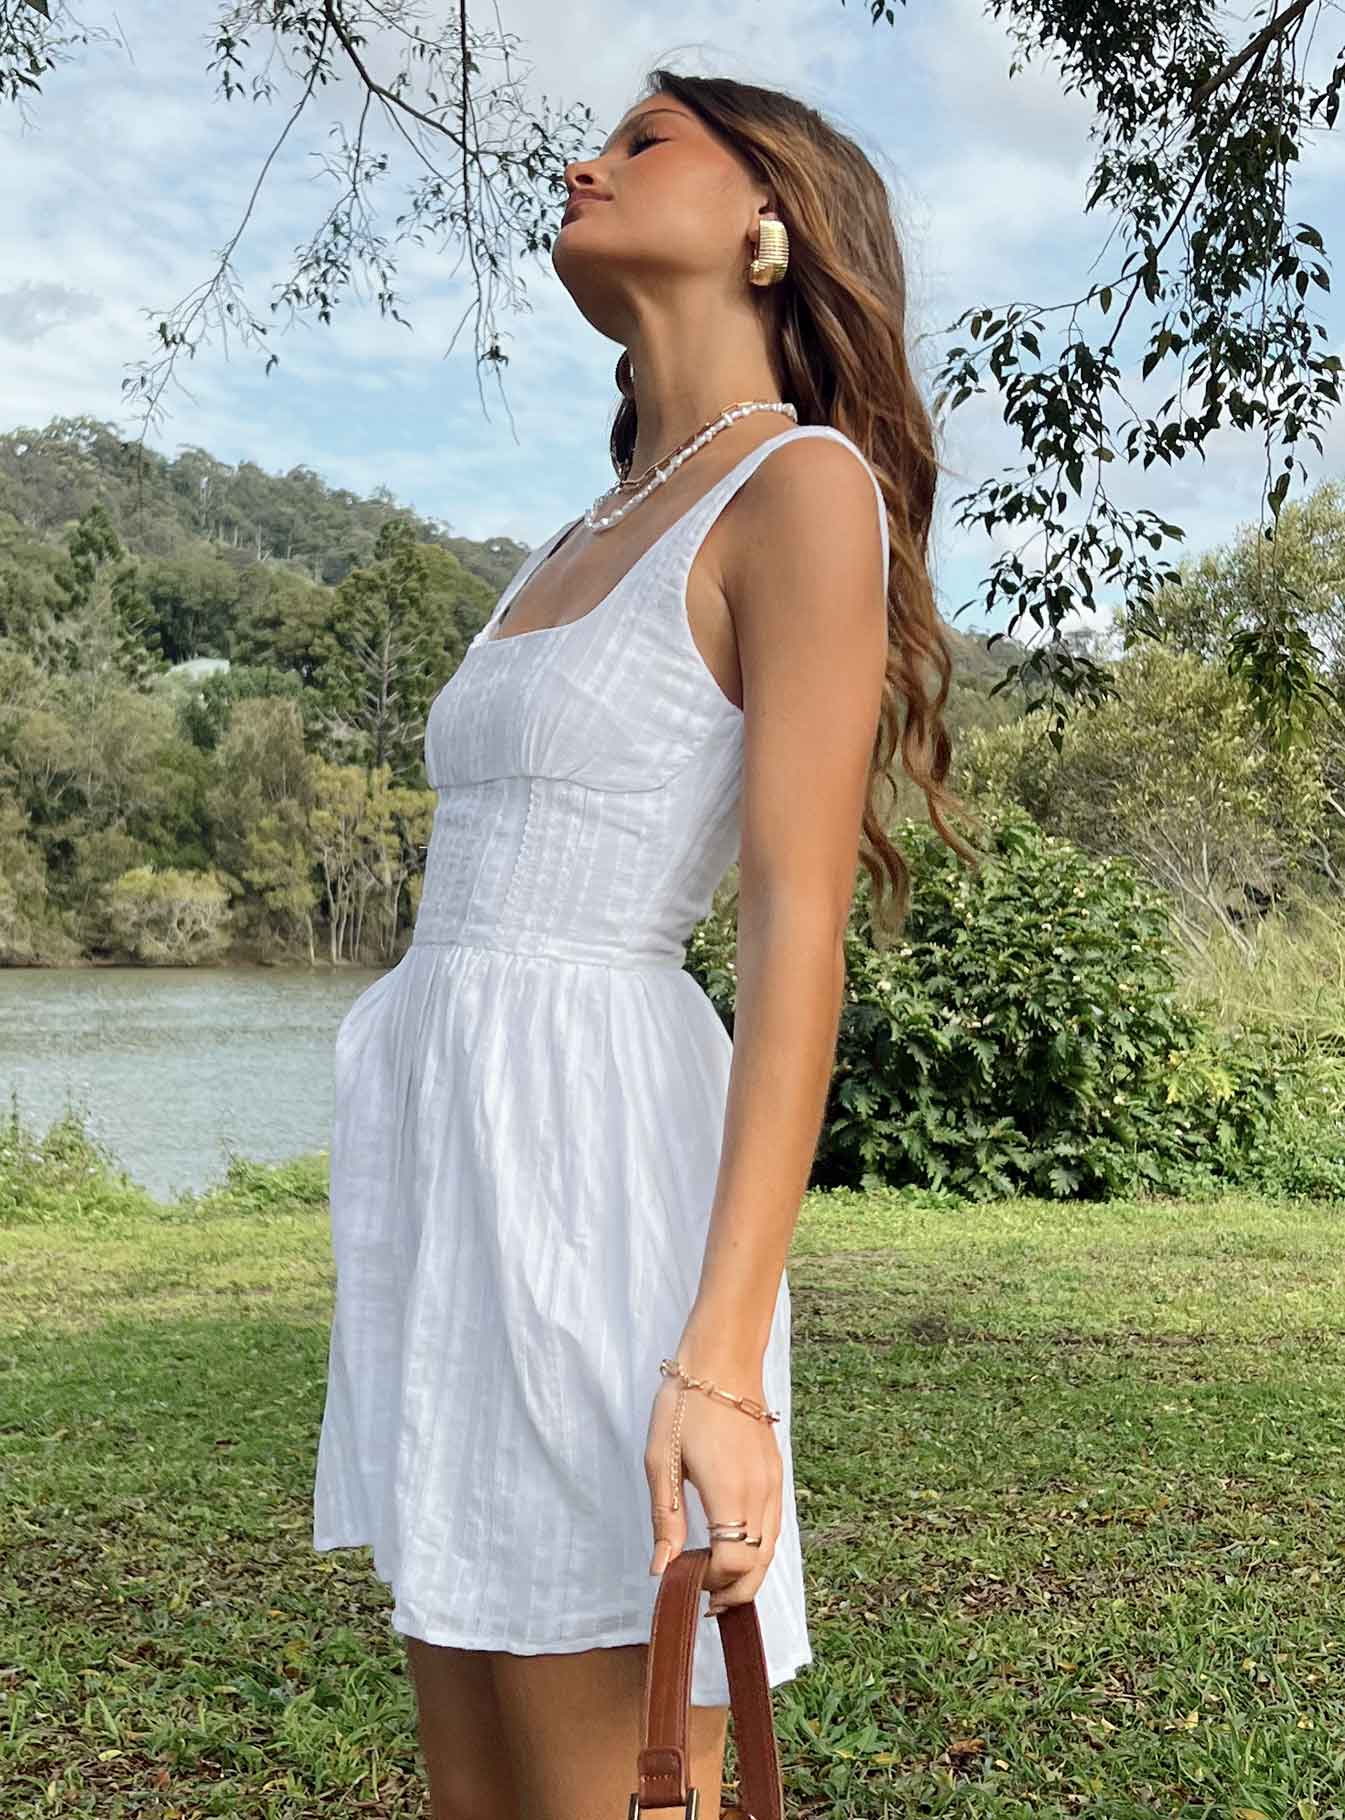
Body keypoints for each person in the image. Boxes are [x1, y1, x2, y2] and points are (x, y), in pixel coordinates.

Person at [312, 65, 969, 1820]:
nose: (583, 162)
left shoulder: (799, 487)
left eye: (646, 138)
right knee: (478, 1759)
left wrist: (721, 1364)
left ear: (771, 219)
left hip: (589, 1154)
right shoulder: (588, 523)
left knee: (609, 1763)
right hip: (455, 1167)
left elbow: (794, 926)